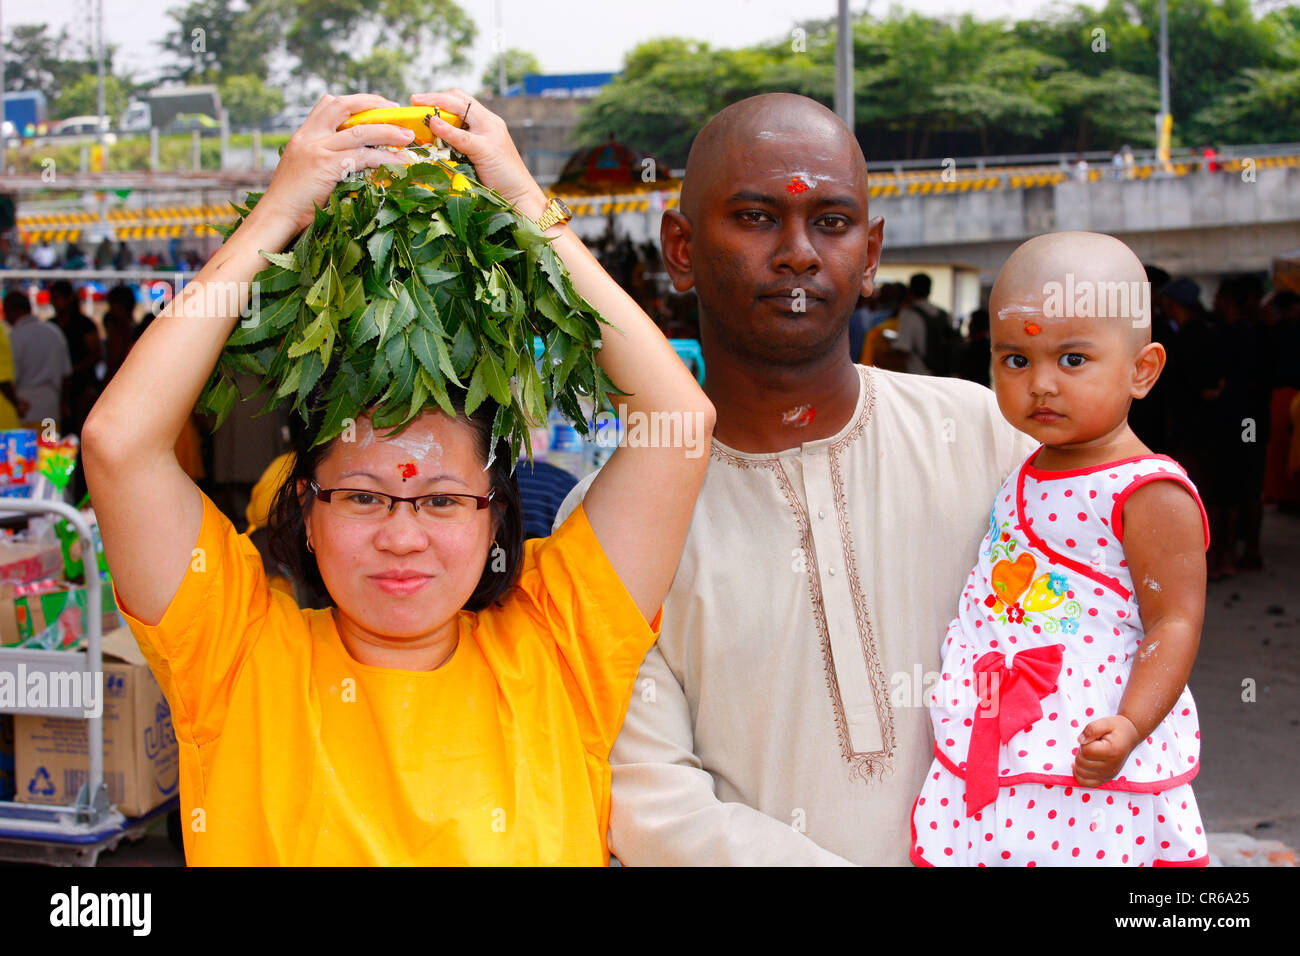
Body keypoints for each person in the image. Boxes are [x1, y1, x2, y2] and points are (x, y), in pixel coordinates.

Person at [82, 90, 714, 866]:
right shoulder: (234, 653)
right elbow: (120, 444)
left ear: (495, 519)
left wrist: (524, 204)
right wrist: (275, 215)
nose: (402, 534)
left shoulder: (559, 643)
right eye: (362, 495)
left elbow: (680, 425)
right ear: (305, 510)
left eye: (444, 499)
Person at [555, 93, 1036, 865]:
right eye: (753, 217)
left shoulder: (987, 438)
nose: (799, 253)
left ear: (872, 252)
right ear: (679, 247)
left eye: (833, 222)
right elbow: (651, 800)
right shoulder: (622, 519)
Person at [911, 232, 1209, 866]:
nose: (1040, 383)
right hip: (1005, 731)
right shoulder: (1026, 468)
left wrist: (1130, 724)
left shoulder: (1147, 490)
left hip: (1089, 751)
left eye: (1072, 360)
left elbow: (1174, 620)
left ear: (1142, 370)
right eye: (1016, 360)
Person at [2, 288, 70, 429]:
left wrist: (16, 403)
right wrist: (64, 403)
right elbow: (66, 375)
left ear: (13, 310)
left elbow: (6, 379)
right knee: (50, 449)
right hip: (51, 410)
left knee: (24, 451)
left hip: (23, 409)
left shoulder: (14, 338)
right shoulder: (54, 332)